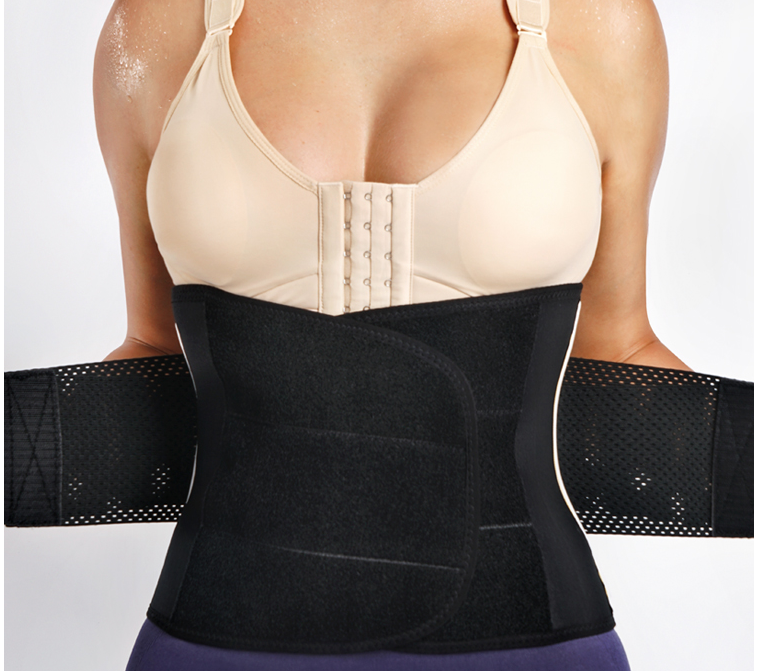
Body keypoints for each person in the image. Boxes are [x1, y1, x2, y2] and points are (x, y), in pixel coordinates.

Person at [3, 0, 752, 670]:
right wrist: (27, 452)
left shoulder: (597, 21)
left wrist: (739, 466)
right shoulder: (157, 25)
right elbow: (155, 351)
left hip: (525, 637)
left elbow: (616, 350)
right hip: (220, 633)